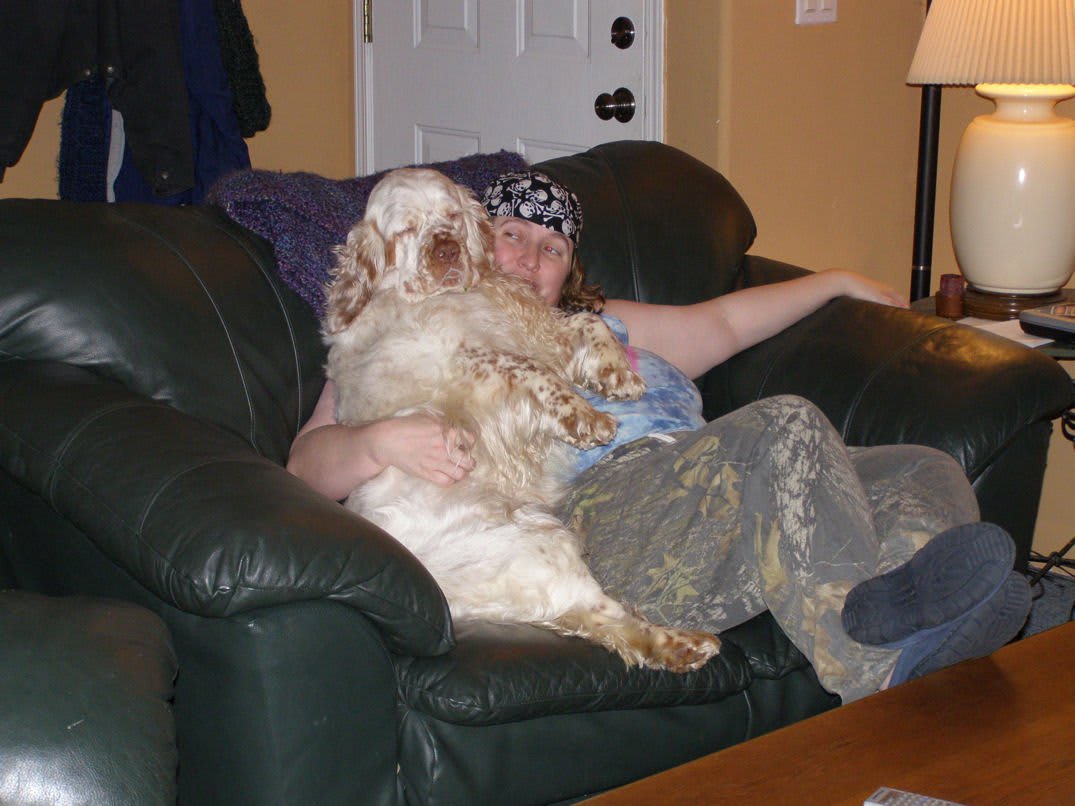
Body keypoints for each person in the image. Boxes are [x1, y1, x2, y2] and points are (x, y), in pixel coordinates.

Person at [288, 170, 1031, 702]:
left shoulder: (606, 326)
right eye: (512, 236)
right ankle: (873, 670)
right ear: (479, 244)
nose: (531, 259)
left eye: (553, 248)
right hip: (605, 513)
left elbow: (727, 321)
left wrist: (835, 279)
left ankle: (906, 615)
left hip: (719, 486)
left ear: (569, 271)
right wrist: (380, 441)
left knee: (922, 466)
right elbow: (302, 466)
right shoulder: (412, 332)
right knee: (784, 423)